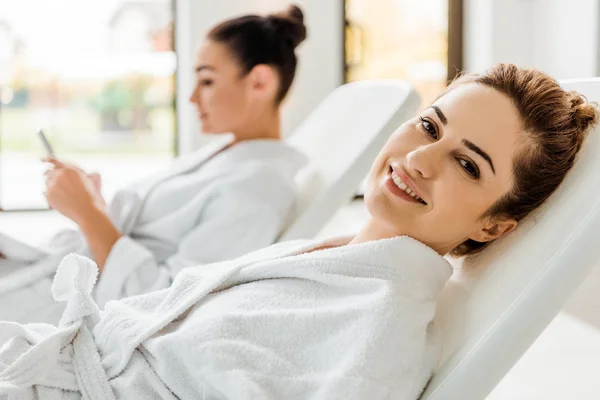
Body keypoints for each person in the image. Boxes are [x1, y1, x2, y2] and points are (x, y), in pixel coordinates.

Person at [0, 64, 596, 399]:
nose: (420, 159)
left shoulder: (381, 333)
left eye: (468, 164)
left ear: (495, 224)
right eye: (428, 125)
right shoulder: (332, 255)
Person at [0, 5, 308, 323]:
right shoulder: (225, 154)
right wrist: (93, 204)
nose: (191, 98)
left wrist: (88, 214)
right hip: (67, 268)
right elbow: (154, 234)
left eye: (206, 81)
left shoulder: (260, 189)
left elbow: (167, 301)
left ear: (259, 82)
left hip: (82, 302)